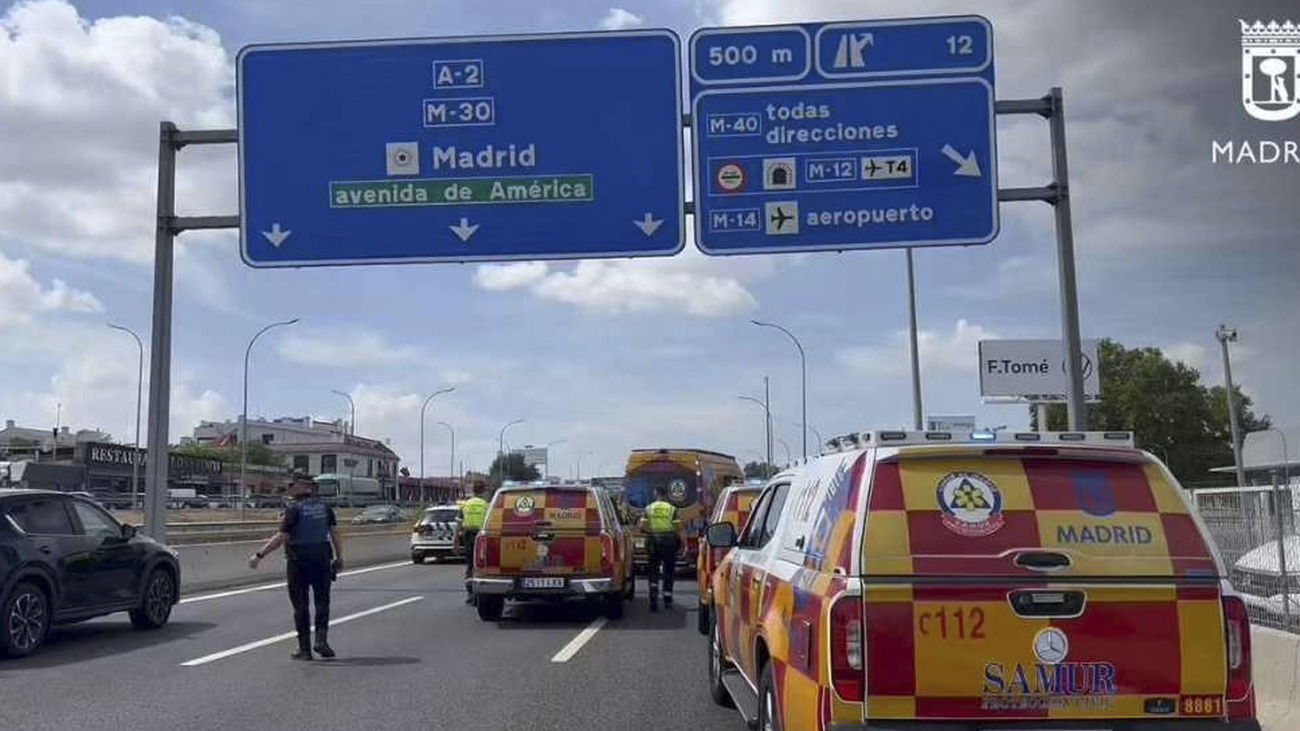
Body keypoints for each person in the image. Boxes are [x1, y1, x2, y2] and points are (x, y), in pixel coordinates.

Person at [249, 474, 344, 660]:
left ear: (300, 489)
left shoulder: (293, 510)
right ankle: (321, 640)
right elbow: (335, 533)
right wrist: (340, 557)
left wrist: (259, 555)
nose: (289, 488)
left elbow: (281, 537)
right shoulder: (325, 508)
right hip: (322, 559)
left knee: (300, 605)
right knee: (322, 601)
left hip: (298, 560)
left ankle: (305, 649)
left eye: (292, 486)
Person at [638, 484, 681, 612]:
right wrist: (680, 543)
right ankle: (667, 601)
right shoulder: (672, 509)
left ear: (656, 494)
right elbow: (678, 528)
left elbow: (642, 527)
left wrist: (649, 531)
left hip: (653, 541)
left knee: (653, 571)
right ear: (666, 495)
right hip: (669, 541)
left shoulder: (648, 508)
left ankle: (653, 600)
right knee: (668, 571)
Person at [460, 481, 489, 603]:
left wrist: (455, 541)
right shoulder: (485, 505)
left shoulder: (466, 504)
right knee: (482, 566)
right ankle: (480, 594)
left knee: (470, 566)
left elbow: (458, 523)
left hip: (468, 537)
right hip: (482, 537)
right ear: (483, 491)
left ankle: (470, 593)